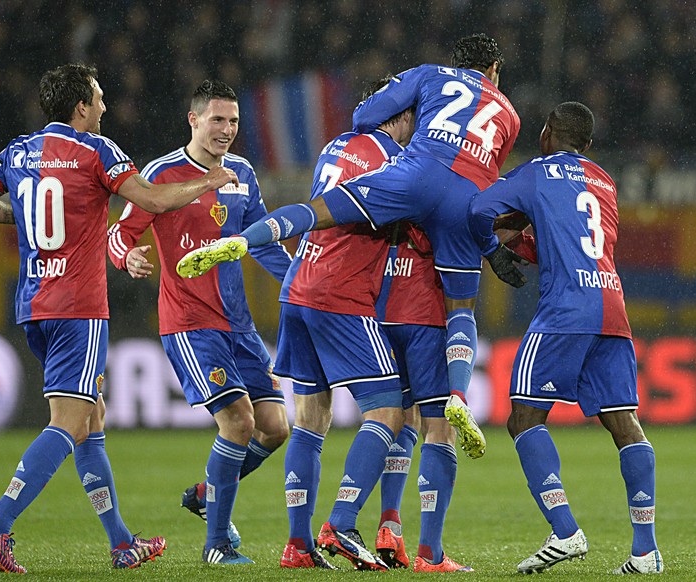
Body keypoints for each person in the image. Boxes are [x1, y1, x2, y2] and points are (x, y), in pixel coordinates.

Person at [177, 33, 521, 460]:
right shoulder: (510, 114)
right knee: (461, 310)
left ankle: (243, 240)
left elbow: (364, 114)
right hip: (463, 198)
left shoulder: (429, 75)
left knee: (317, 210)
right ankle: (458, 394)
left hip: (412, 178)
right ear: (494, 72)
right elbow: (488, 185)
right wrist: (488, 246)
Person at [0, 63, 238, 574]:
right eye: (100, 99)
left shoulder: (18, 150)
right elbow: (151, 199)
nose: (106, 107)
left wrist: (21, 215)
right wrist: (208, 182)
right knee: (68, 423)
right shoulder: (96, 151)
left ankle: (121, 543)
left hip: (33, 303)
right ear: (81, 106)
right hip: (79, 308)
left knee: (91, 420)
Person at [467, 101, 663, 575]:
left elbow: (478, 210)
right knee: (624, 423)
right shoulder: (604, 180)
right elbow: (583, 243)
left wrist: (496, 250)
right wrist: (530, 244)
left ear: (548, 132)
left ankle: (564, 531)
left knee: (524, 418)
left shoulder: (537, 172)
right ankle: (646, 551)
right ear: (589, 145)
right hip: (612, 307)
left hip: (564, 311)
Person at [106, 80, 291, 565]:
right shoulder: (161, 173)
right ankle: (217, 543)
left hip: (239, 324)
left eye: (233, 121)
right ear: (193, 120)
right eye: (217, 120)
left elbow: (263, 243)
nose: (226, 130)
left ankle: (208, 493)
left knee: (274, 428)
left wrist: (303, 281)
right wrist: (128, 259)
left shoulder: (244, 173)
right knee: (238, 422)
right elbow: (119, 234)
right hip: (189, 321)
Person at [275, 83, 415, 571]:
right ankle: (341, 522)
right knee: (389, 409)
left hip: (298, 287)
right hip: (340, 294)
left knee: (310, 420)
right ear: (399, 116)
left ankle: (297, 546)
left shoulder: (336, 145)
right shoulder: (395, 160)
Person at [373, 220, 473, 572]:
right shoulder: (440, 180)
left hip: (380, 313)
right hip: (424, 314)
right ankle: (430, 554)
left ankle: (389, 525)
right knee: (439, 427)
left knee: (399, 418)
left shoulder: (389, 176)